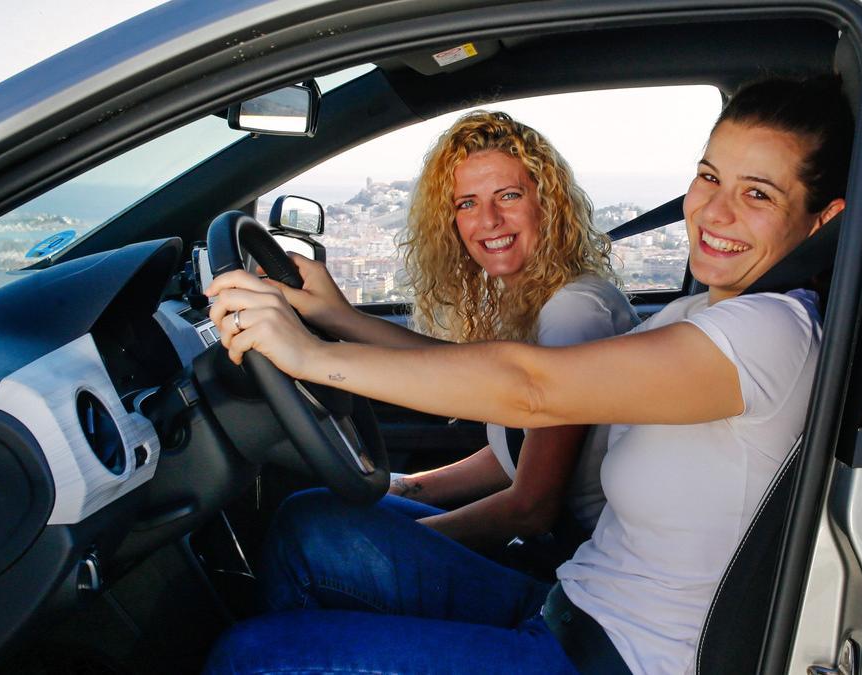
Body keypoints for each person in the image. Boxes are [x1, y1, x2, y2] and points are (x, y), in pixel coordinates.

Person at [204, 74, 852, 675]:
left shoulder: (771, 332)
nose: (715, 212)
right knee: (310, 525)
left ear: (823, 220)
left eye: (758, 194)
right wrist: (337, 317)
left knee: (250, 656)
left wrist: (311, 355)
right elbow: (490, 384)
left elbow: (533, 389)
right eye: (710, 177)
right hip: (567, 605)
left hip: (615, 656)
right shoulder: (696, 313)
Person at [224, 110, 639, 566]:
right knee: (313, 509)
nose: (489, 220)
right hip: (556, 549)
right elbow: (512, 447)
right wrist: (338, 317)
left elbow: (531, 507)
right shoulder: (537, 300)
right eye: (467, 204)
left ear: (548, 203)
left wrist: (401, 546)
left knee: (312, 535)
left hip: (568, 565)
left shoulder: (573, 312)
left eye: (508, 195)